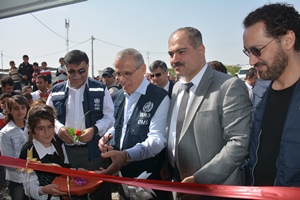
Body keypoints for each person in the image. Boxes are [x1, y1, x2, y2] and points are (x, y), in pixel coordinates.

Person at [166, 27, 251, 199]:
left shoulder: (228, 86)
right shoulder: (176, 88)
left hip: (216, 189)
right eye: (171, 54)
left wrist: (200, 180)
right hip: (179, 185)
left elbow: (239, 144)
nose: (175, 59)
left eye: (181, 51)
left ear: (201, 50)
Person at [97, 48, 172, 200]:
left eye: (127, 73)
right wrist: (107, 137)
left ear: (142, 69)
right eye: (118, 74)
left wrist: (126, 156)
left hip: (151, 180)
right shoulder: (118, 96)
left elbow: (157, 139)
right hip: (124, 180)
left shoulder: (160, 97)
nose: (122, 79)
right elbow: (119, 126)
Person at [242, 3, 300, 186]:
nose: (251, 60)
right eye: (248, 52)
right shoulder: (259, 90)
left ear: (288, 40)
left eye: (257, 50)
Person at [46, 50, 114, 200]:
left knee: (99, 193)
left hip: (94, 153)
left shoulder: (100, 89)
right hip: (67, 154)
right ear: (65, 69)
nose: (77, 76)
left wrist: (94, 129)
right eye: (72, 71)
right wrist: (59, 128)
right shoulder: (56, 91)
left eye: (81, 71)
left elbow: (110, 117)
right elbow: (48, 117)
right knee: (72, 193)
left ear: (88, 67)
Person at [19, 104, 69, 200]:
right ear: (32, 130)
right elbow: (28, 188)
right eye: (40, 128)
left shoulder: (57, 144)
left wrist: (76, 172)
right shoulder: (28, 151)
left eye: (50, 127)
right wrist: (44, 190)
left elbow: (64, 167)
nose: (47, 132)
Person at [0, 95, 30, 200]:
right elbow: (7, 158)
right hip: (16, 178)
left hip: (35, 175)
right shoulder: (5, 132)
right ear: (10, 110)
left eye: (23, 107)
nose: (20, 111)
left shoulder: (32, 126)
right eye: (16, 108)